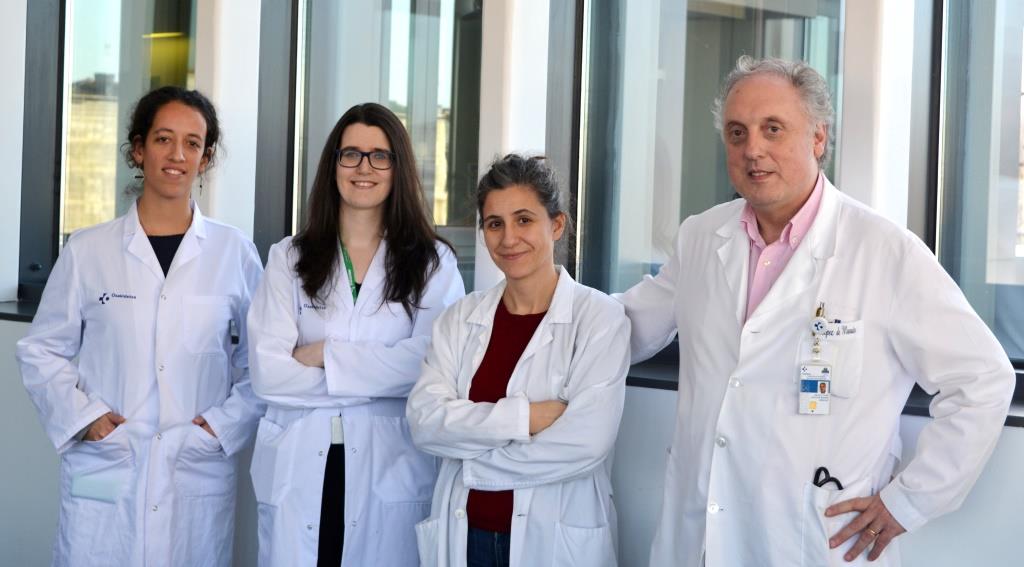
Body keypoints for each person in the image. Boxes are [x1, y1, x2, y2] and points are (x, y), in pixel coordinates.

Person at [618, 56, 1015, 567]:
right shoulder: (701, 236)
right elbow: (627, 327)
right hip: (701, 531)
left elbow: (983, 378)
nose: (752, 149)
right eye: (737, 133)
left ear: (818, 138)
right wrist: (539, 304)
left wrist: (908, 502)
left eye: (773, 128)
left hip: (815, 538)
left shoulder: (884, 251)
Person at [17, 86, 265, 566]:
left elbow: (260, 363)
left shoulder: (233, 252)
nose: (177, 155)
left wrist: (221, 427)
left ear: (205, 159)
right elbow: (41, 350)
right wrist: (84, 418)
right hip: (109, 463)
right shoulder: (89, 250)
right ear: (138, 149)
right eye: (163, 139)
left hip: (194, 468)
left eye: (192, 144)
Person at [247, 102, 465, 566]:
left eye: (379, 156)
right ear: (333, 165)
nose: (364, 167)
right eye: (351, 154)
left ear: (398, 168)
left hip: (388, 464)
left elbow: (427, 366)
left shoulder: (432, 263)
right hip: (301, 463)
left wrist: (325, 353)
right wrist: (377, 375)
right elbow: (267, 374)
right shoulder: (288, 258)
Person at [408, 154, 631, 567]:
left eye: (524, 220)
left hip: (554, 539)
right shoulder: (459, 319)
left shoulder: (599, 318)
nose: (509, 238)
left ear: (557, 225)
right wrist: (525, 418)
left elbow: (585, 442)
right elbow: (424, 422)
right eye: (495, 224)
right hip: (466, 534)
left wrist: (471, 463)